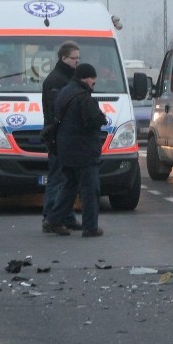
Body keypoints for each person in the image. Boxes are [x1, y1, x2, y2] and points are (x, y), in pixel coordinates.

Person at [44, 63, 107, 237]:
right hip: (84, 151)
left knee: (69, 186)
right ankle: (90, 227)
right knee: (89, 189)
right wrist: (102, 118)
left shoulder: (64, 92)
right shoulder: (83, 97)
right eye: (93, 79)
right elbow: (94, 120)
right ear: (86, 78)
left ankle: (54, 219)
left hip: (65, 149)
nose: (94, 82)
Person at [40, 41, 82, 232]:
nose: (77, 62)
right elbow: (55, 112)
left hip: (68, 137)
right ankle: (50, 217)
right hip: (58, 137)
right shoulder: (56, 81)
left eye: (78, 58)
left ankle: (66, 215)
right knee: (57, 178)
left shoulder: (68, 78)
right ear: (63, 58)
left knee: (68, 179)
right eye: (74, 58)